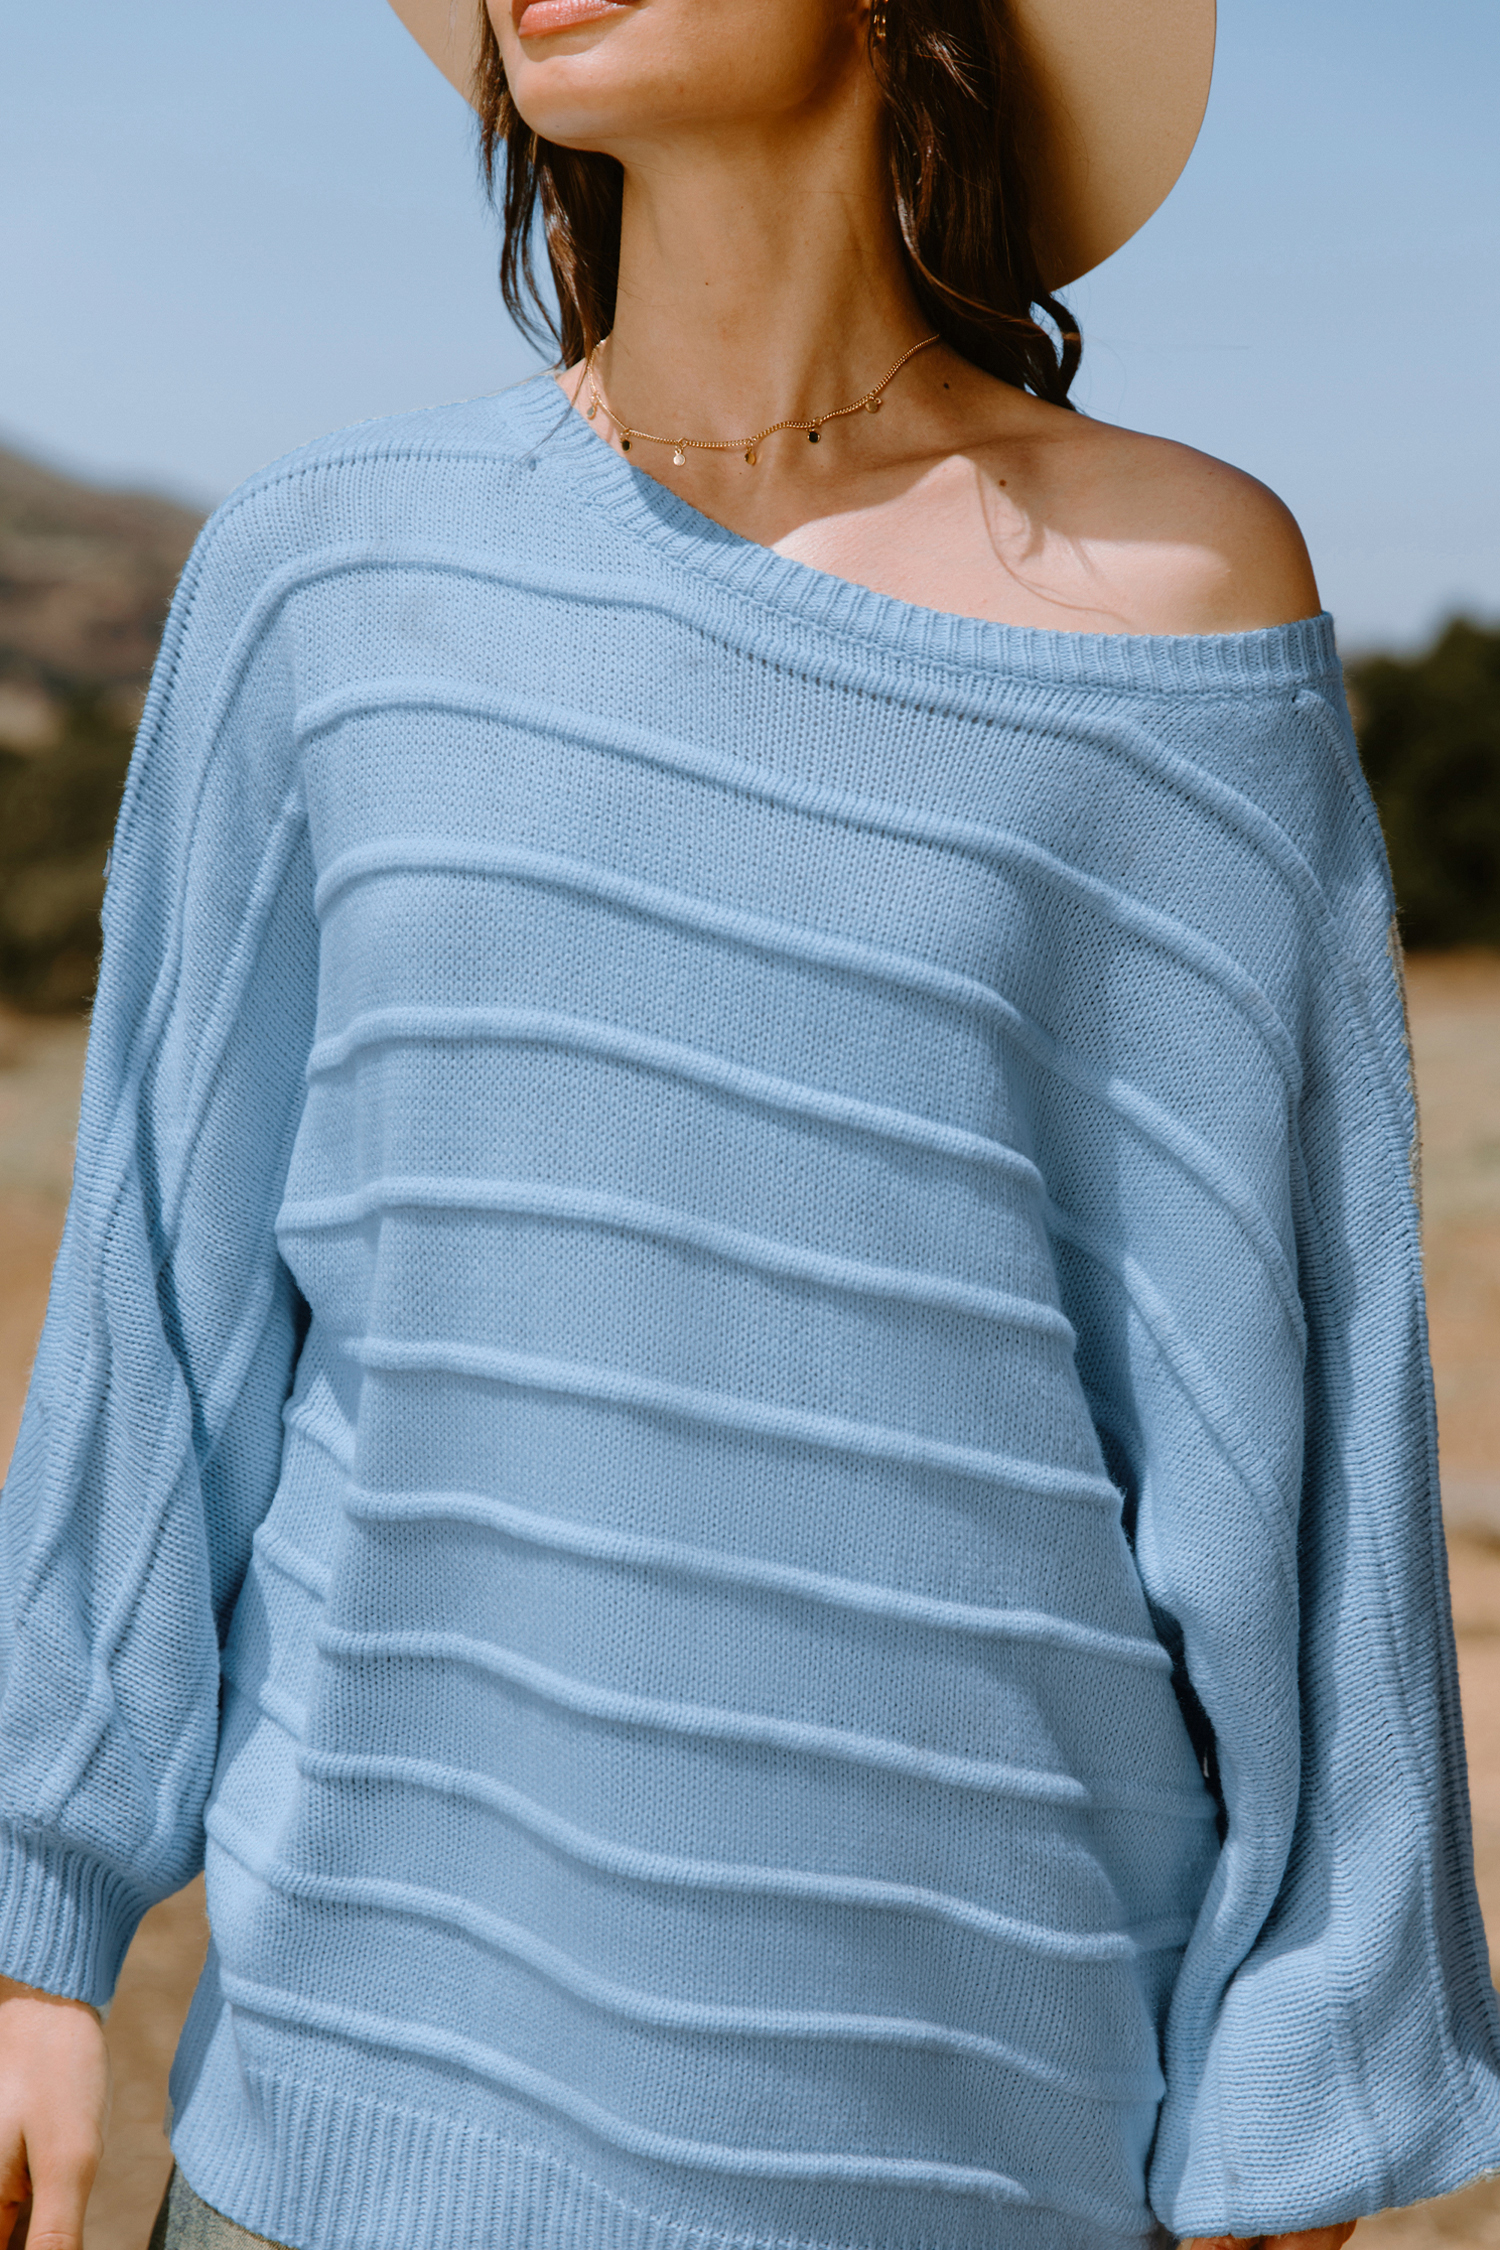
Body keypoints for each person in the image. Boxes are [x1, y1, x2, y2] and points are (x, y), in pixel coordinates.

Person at [2, 2, 1498, 2247]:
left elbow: (1307, 1414)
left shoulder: (1180, 591)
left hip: (971, 2152)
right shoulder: (323, 577)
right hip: (348, 2132)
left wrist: (1308, 2070)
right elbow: (159, 1318)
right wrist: (33, 1919)